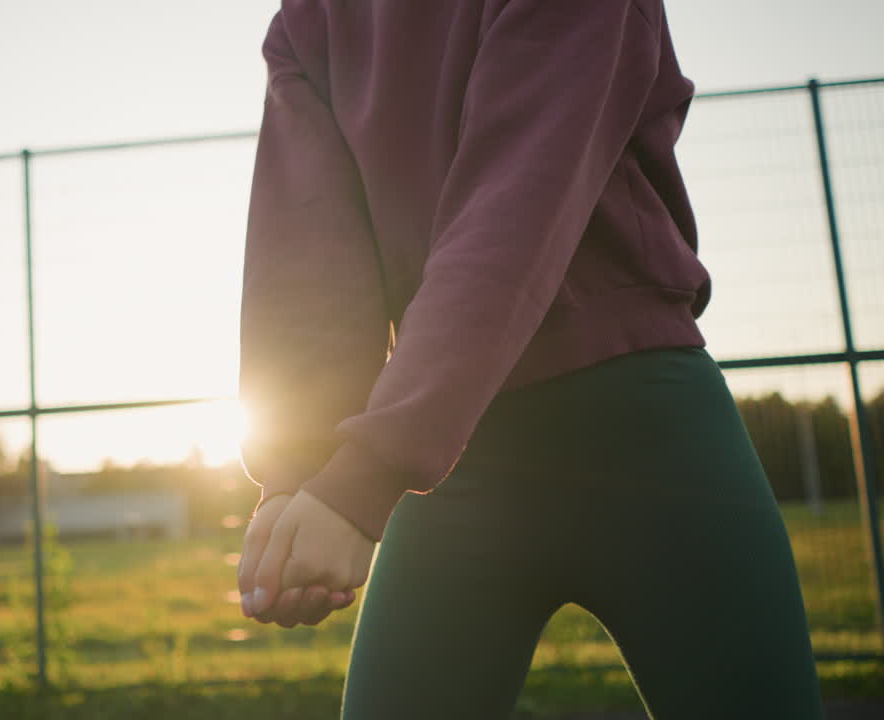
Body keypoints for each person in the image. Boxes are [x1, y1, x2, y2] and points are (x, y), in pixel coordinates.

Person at [234, 1, 824, 717]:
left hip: (643, 444)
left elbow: (515, 207)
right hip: (450, 467)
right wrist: (299, 477)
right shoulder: (311, 18)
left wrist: (363, 476)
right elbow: (308, 259)